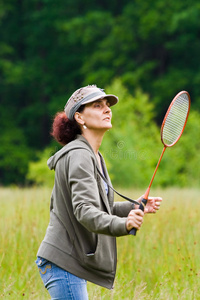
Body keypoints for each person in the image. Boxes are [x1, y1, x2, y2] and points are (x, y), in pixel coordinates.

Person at [36, 85, 162, 300]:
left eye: (107, 105)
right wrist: (124, 225)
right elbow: (85, 211)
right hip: (64, 261)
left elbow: (99, 207)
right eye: (97, 105)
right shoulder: (80, 155)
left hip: (69, 261)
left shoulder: (93, 155)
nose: (107, 110)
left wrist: (133, 206)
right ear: (80, 117)